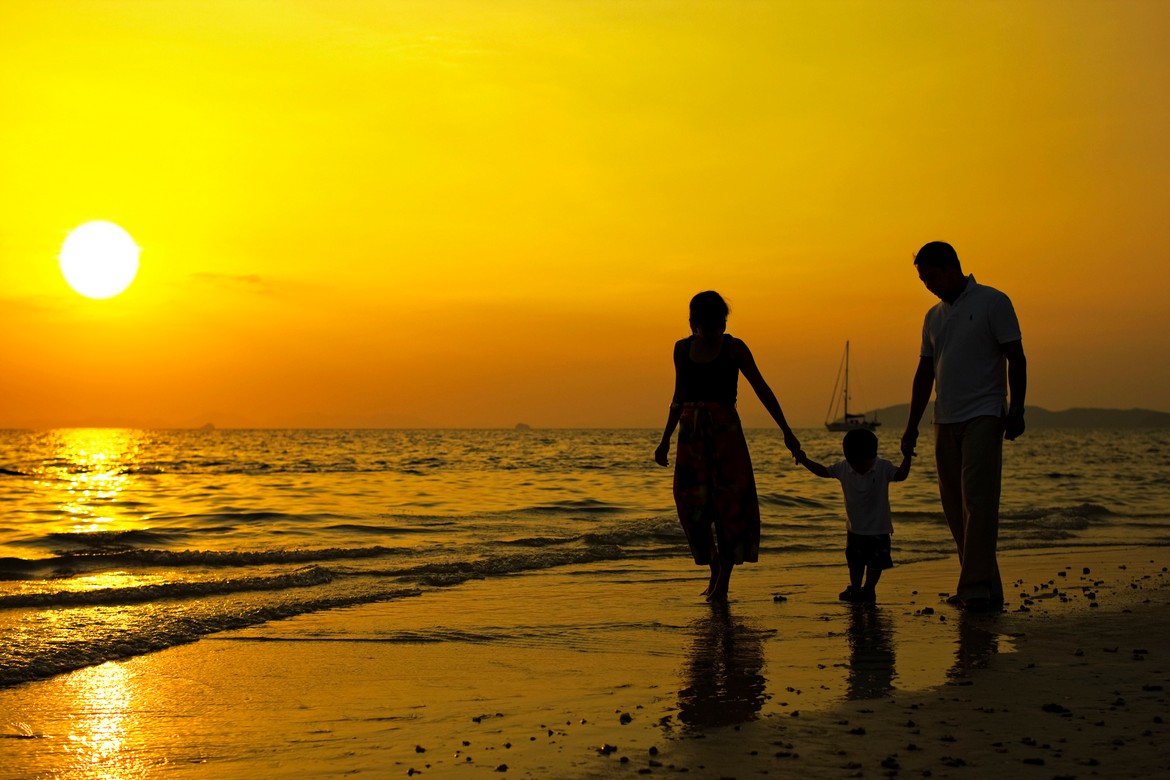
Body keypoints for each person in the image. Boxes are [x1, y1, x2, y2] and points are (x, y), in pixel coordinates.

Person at [901, 241, 1027, 612]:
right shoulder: (933, 317)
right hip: (945, 417)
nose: (928, 284)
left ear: (953, 267)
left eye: (932, 276)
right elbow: (925, 371)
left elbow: (1015, 356)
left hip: (985, 413)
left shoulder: (993, 301)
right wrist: (912, 426)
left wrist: (1017, 408)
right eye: (922, 279)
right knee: (955, 508)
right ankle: (988, 587)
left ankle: (972, 587)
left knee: (979, 500)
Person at [655, 291, 802, 602]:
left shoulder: (733, 348)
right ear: (693, 323)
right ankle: (714, 565)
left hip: (725, 437)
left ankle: (723, 579)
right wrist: (665, 439)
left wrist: (787, 431)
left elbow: (762, 388)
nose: (712, 332)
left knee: (729, 508)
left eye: (718, 325)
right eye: (706, 326)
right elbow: (678, 396)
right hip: (691, 436)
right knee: (691, 506)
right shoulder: (682, 349)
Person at [796, 429, 911, 603]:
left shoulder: (882, 467)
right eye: (854, 463)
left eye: (862, 464)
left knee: (875, 563)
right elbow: (822, 471)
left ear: (873, 457)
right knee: (855, 563)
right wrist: (803, 459)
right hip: (855, 528)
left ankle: (869, 589)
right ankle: (856, 588)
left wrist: (907, 457)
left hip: (879, 528)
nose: (858, 467)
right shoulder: (844, 467)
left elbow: (901, 476)